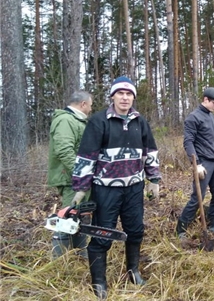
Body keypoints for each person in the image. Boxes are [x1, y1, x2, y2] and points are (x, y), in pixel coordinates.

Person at [71, 76, 161, 299]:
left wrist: (154, 180)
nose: (124, 97)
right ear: (112, 96)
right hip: (106, 189)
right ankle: (99, 283)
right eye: (120, 93)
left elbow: (150, 152)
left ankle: (133, 271)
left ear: (133, 97)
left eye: (129, 93)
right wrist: (80, 189)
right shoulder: (99, 121)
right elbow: (86, 157)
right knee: (103, 234)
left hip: (133, 187)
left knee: (135, 231)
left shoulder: (140, 121)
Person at [176, 87, 214, 237]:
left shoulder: (211, 117)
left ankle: (212, 223)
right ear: (205, 100)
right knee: (198, 198)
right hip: (203, 163)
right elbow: (188, 142)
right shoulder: (193, 118)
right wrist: (196, 165)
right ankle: (181, 229)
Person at [47, 90, 93, 259]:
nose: (90, 109)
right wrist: (81, 174)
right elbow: (64, 150)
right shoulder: (66, 120)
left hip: (78, 179)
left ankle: (80, 254)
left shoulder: (76, 121)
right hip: (71, 179)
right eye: (90, 105)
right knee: (68, 217)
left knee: (79, 216)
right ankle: (57, 260)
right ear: (83, 104)